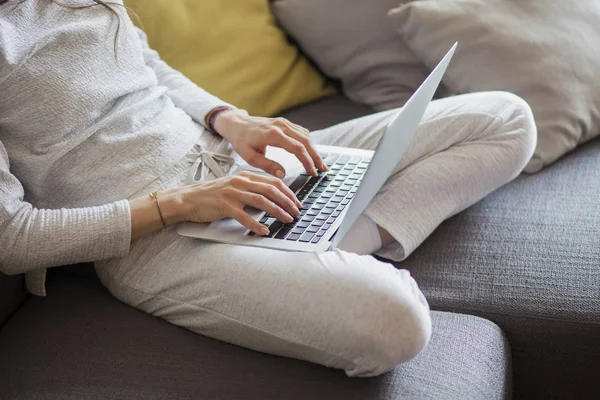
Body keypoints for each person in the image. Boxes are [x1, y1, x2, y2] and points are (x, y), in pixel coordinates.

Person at [0, 0, 537, 377]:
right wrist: (184, 204)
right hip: (159, 239)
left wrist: (231, 119)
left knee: (507, 119)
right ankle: (301, 243)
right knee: (394, 326)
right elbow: (13, 239)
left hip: (237, 164)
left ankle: (318, 238)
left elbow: (145, 64)